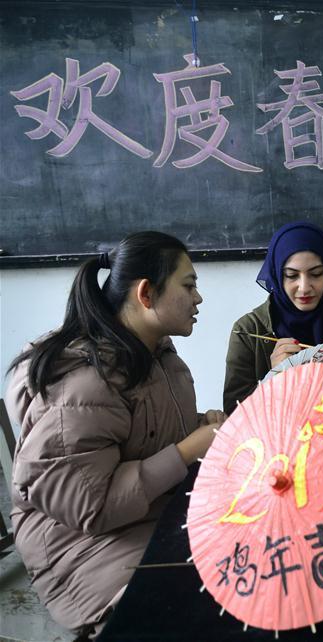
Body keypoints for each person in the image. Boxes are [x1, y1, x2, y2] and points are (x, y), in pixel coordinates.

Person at [4, 232, 221, 636]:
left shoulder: (154, 352)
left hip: (146, 512)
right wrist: (188, 450)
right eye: (189, 285)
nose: (199, 298)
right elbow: (93, 504)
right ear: (146, 293)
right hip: (80, 548)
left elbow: (143, 435)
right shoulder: (85, 384)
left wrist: (197, 427)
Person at [224, 222, 323, 413]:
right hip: (279, 432)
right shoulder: (249, 331)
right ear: (277, 276)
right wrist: (274, 380)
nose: (304, 287)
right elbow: (234, 414)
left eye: (316, 274)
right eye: (292, 276)